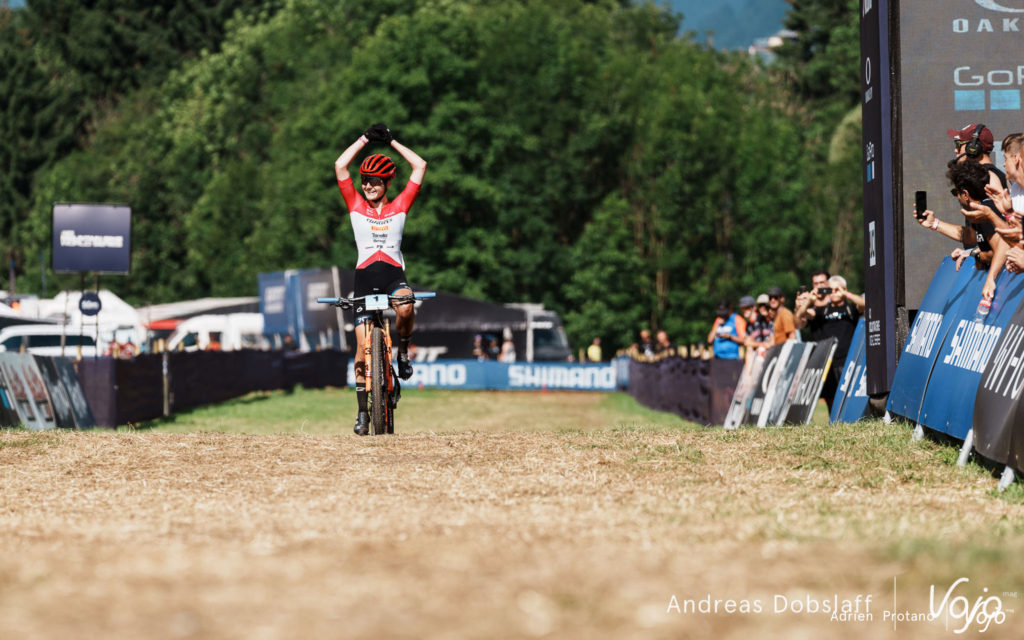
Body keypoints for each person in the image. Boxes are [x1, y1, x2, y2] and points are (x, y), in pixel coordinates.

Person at [335, 123, 427, 435]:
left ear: (387, 183)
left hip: (392, 277)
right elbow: (339, 165)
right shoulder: (355, 206)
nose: (369, 186)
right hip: (364, 280)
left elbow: (420, 165)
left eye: (375, 181)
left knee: (405, 305)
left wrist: (391, 142)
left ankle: (402, 351)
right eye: (365, 181)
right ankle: (363, 412)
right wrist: (363, 138)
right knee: (362, 348)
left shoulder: (401, 206)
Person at [915, 160, 1009, 301]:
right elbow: (970, 237)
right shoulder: (983, 208)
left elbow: (1003, 250)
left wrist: (979, 256)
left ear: (965, 194)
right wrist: (934, 223)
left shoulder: (985, 212)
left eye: (955, 193)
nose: (957, 198)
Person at [802, 275, 864, 413]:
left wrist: (846, 294)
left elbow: (864, 304)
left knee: (848, 396)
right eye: (831, 289)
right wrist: (808, 301)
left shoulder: (851, 308)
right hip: (829, 362)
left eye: (837, 289)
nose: (834, 292)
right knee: (830, 398)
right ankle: (834, 423)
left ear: (844, 289)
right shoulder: (822, 310)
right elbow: (803, 315)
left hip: (848, 361)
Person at [793, 270, 830, 337]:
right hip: (821, 346)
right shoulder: (810, 305)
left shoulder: (836, 300)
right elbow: (798, 326)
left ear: (828, 283)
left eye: (822, 283)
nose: (819, 286)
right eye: (816, 283)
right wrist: (798, 307)